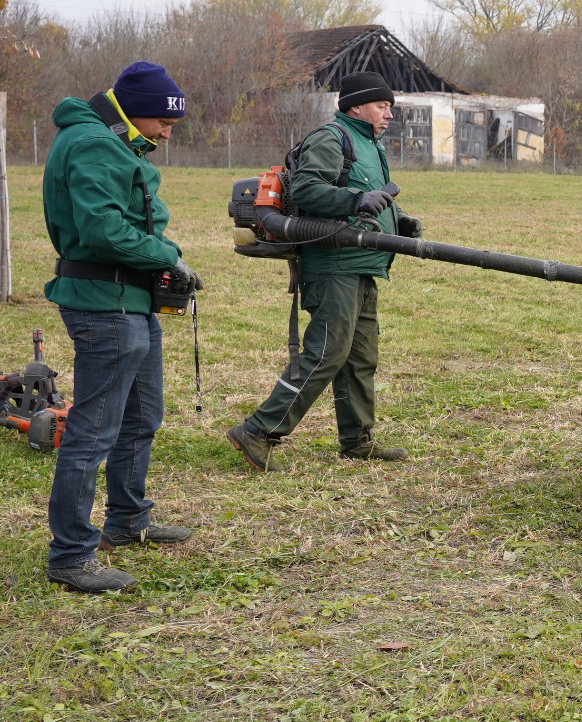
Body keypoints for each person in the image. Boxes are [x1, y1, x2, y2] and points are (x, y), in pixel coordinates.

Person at [42, 61, 202, 594]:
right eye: (164, 121)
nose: (167, 132)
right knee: (91, 433)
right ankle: (70, 554)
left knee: (140, 416)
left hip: (129, 299)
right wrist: (167, 256)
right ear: (135, 112)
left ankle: (127, 521)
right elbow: (103, 228)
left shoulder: (117, 143)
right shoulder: (92, 143)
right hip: (102, 302)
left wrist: (162, 258)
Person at [227, 72, 421, 471]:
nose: (389, 114)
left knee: (360, 357)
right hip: (333, 265)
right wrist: (355, 200)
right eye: (383, 106)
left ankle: (358, 440)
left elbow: (375, 194)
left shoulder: (369, 144)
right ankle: (259, 430)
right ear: (356, 107)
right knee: (326, 353)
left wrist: (400, 220)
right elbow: (306, 189)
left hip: (364, 264)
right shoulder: (332, 137)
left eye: (390, 107)